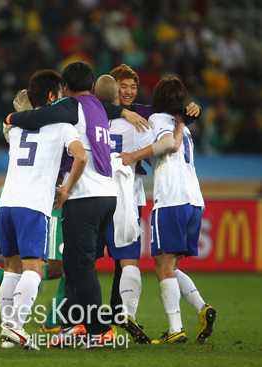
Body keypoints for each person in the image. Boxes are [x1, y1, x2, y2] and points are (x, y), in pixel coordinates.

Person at [7, 62, 117, 348]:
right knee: (75, 264)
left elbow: (37, 118)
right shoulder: (99, 107)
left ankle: (99, 329)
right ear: (92, 86)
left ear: (66, 89)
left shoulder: (72, 106)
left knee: (80, 264)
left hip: (84, 194)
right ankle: (71, 323)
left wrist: (11, 117)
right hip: (107, 192)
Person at [117, 77, 217, 344]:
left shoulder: (160, 120)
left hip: (171, 199)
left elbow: (167, 145)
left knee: (162, 265)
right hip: (194, 200)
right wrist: (183, 120)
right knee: (169, 265)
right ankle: (201, 307)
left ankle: (175, 329)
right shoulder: (184, 128)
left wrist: (132, 157)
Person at [0, 69, 86, 350]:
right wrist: (67, 189)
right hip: (33, 205)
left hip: (7, 203)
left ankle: (7, 334)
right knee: (34, 268)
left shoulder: (16, 127)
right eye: (61, 94)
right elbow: (81, 156)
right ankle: (15, 327)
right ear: (52, 96)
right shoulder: (63, 127)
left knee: (11, 269)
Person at [0, 90, 66, 334]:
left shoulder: (15, 129)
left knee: (17, 268)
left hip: (13, 201)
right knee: (41, 267)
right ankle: (22, 326)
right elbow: (79, 155)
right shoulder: (58, 127)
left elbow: (9, 122)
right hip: (41, 202)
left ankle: (13, 326)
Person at [93, 74, 154, 343]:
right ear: (114, 91)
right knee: (129, 259)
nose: (128, 91)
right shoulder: (138, 122)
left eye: (133, 86)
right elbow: (161, 147)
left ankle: (79, 320)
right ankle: (127, 313)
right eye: (123, 87)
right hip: (124, 197)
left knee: (83, 263)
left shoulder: (88, 117)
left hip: (92, 196)